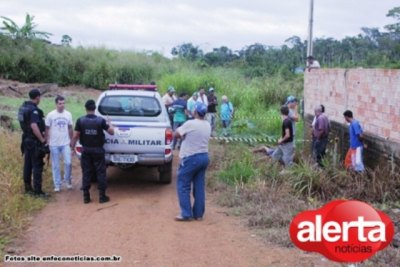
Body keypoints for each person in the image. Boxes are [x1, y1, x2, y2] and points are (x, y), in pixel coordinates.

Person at [70, 100, 115, 204]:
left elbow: (75, 136)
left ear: (85, 109)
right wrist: (110, 123)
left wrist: (72, 147)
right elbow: (111, 132)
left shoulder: (80, 120)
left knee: (86, 172)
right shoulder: (101, 121)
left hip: (86, 150)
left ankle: (86, 197)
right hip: (98, 150)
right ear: (95, 109)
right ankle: (102, 197)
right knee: (100, 172)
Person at [174, 103, 211, 221]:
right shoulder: (207, 125)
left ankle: (185, 213)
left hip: (191, 157)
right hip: (204, 157)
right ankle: (198, 214)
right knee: (199, 186)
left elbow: (176, 134)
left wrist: (183, 137)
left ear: (195, 112)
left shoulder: (190, 123)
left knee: (183, 184)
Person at [21, 89, 48, 197]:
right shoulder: (34, 110)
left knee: (27, 164)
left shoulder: (23, 107)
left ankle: (28, 189)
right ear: (37, 97)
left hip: (26, 140)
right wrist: (42, 139)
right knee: (37, 165)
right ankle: (38, 191)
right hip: (34, 141)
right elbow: (34, 125)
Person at [45, 96, 73, 192]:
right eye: (60, 103)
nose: (62, 105)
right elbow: (47, 128)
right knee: (56, 165)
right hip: (54, 144)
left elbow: (70, 127)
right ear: (56, 104)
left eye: (63, 103)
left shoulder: (68, 114)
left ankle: (68, 180)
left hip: (65, 143)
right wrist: (47, 140)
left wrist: (71, 140)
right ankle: (57, 184)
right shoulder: (51, 115)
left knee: (68, 162)